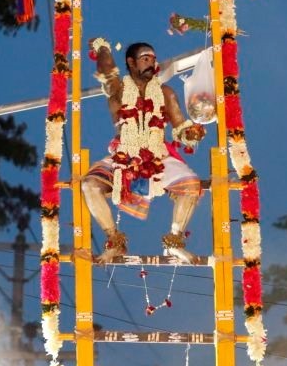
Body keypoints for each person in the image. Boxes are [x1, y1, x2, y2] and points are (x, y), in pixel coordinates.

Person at [82, 37, 206, 264]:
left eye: (153, 59)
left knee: (191, 185)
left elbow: (180, 127)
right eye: (145, 58)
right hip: (124, 155)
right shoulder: (118, 90)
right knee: (90, 185)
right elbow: (107, 73)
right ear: (131, 62)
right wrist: (102, 49)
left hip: (158, 155)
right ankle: (114, 242)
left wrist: (190, 134)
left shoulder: (165, 92)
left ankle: (174, 242)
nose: (152, 63)